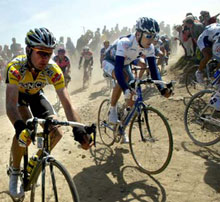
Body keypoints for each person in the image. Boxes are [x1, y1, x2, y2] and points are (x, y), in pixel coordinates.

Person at [5, 27, 93, 199]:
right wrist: (19, 127)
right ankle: (15, 171)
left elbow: (67, 104)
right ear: (28, 50)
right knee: (26, 132)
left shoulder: (53, 69)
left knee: (57, 131)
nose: (45, 58)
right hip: (20, 98)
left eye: (49, 53)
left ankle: (35, 163)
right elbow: (10, 105)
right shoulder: (15, 67)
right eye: (41, 53)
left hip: (37, 96)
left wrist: (80, 131)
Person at [102, 17, 171, 143]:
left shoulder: (149, 47)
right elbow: (118, 69)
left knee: (133, 98)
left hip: (126, 63)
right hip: (110, 61)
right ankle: (112, 110)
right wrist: (125, 89)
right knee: (124, 77)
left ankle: (121, 127)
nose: (151, 40)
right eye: (148, 36)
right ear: (138, 34)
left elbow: (154, 70)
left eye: (154, 36)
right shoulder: (125, 42)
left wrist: (162, 88)